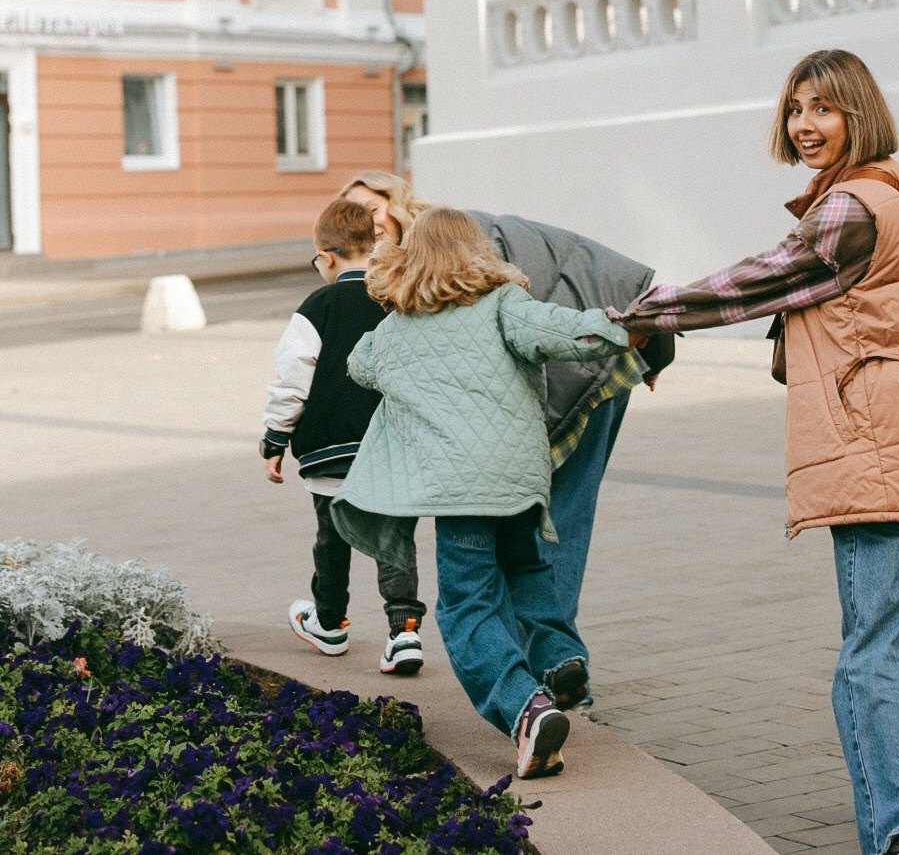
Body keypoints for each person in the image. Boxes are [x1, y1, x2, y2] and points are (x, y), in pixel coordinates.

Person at [615, 49, 899, 855]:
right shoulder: (894, 192)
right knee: (891, 621)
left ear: (858, 115)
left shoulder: (849, 207)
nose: (805, 125)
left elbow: (758, 281)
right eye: (796, 108)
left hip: (875, 439)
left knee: (868, 650)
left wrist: (645, 312)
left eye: (824, 109)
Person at [335, 170, 673, 695]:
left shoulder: (395, 325)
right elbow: (565, 330)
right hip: (518, 476)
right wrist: (626, 330)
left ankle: (522, 702)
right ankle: (560, 658)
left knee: (465, 600)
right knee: (526, 568)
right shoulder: (505, 299)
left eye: (370, 209)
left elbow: (360, 365)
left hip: (459, 489)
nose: (366, 224)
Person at [259, 196, 426, 674]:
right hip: (394, 446)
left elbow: (293, 379)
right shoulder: (398, 300)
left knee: (331, 539)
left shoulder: (318, 305)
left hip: (331, 448)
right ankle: (404, 633)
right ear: (374, 246)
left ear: (326, 257)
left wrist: (275, 439)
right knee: (394, 538)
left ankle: (329, 623)